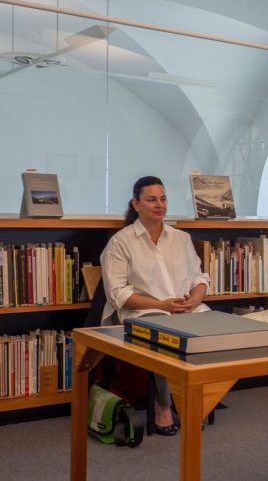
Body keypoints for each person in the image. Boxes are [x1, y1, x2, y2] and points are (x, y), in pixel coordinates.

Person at [101, 176, 211, 436]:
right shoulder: (120, 242)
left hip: (185, 308)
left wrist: (196, 298)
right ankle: (163, 405)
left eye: (163, 199)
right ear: (136, 204)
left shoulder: (181, 238)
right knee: (165, 334)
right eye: (151, 200)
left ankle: (195, 400)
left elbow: (200, 277)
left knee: (213, 330)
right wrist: (163, 304)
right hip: (141, 310)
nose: (159, 205)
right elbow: (118, 294)